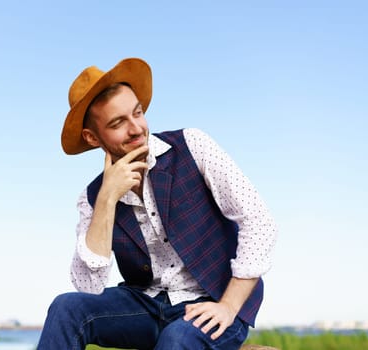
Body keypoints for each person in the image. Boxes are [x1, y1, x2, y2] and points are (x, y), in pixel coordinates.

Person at [38, 58, 277, 350]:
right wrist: (107, 200)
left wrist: (228, 305)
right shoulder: (92, 198)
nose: (136, 128)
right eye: (117, 123)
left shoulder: (192, 145)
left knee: (176, 339)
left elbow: (258, 222)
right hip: (145, 306)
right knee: (66, 309)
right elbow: (89, 287)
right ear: (92, 137)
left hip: (212, 302)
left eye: (137, 113)